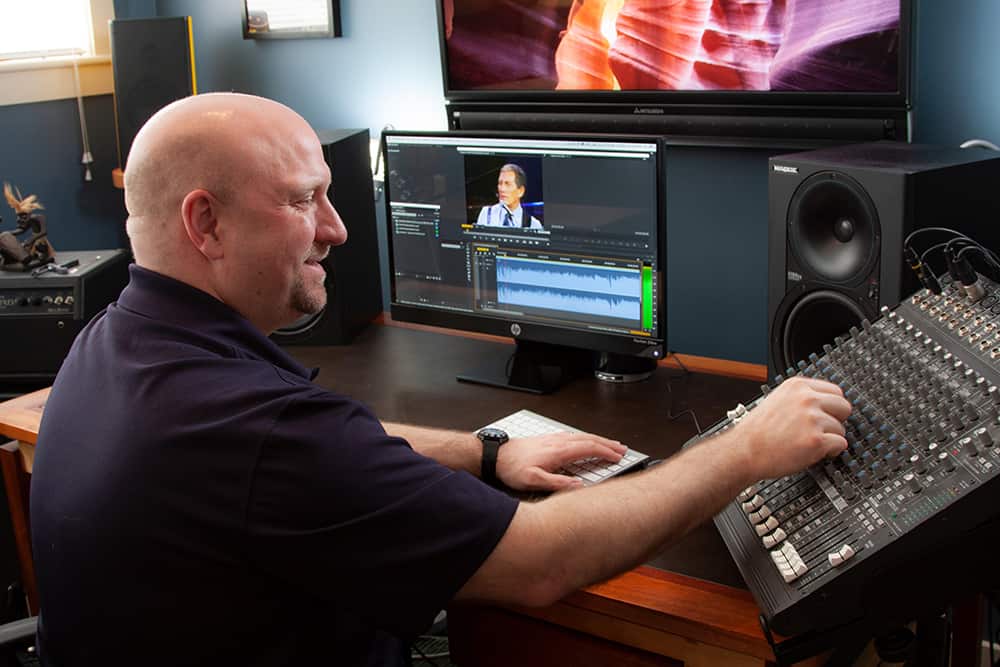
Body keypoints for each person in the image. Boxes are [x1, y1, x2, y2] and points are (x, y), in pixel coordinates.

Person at [30, 93, 851, 666]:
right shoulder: (254, 430)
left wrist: (485, 451)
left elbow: (328, 444)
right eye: (303, 198)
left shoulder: (118, 340)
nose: (338, 226)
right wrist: (744, 448)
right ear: (205, 222)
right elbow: (537, 563)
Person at [475, 163, 543, 229]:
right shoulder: (486, 214)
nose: (502, 189)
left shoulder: (533, 225)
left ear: (520, 191)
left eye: (507, 184)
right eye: (500, 183)